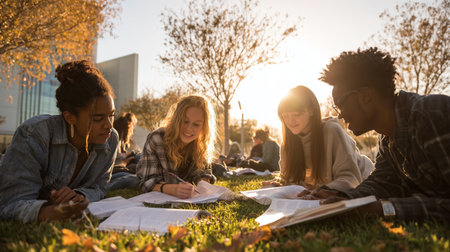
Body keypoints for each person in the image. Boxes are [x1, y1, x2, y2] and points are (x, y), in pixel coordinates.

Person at [300, 47, 450, 221]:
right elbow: (384, 182)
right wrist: (345, 197)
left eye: (340, 105)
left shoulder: (431, 115)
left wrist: (384, 209)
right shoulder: (387, 138)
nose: (340, 114)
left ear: (365, 96)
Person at [0, 60, 118, 223]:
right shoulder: (34, 134)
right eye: (98, 118)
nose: (109, 125)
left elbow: (99, 187)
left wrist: (80, 196)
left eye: (111, 115)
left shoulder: (111, 139)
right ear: (69, 117)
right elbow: (11, 203)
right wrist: (49, 212)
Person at [264, 85, 374, 191]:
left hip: (366, 180)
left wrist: (320, 190)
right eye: (286, 116)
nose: (291, 121)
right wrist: (283, 183)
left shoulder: (332, 131)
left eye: (297, 114)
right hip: (326, 188)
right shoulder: (288, 142)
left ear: (311, 111)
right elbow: (292, 179)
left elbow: (350, 178)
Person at [136, 95, 217, 199]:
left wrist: (203, 184)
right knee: (128, 180)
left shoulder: (201, 143)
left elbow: (204, 172)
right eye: (185, 121)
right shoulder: (156, 138)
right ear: (177, 120)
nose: (189, 129)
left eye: (196, 124)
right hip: (143, 166)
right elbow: (147, 182)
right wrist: (173, 189)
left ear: (204, 127)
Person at [107, 112, 141, 190]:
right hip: (116, 171)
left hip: (123, 168)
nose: (132, 129)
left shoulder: (121, 139)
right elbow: (114, 156)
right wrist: (124, 157)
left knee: (138, 157)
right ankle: (107, 187)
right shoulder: (114, 136)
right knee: (136, 179)